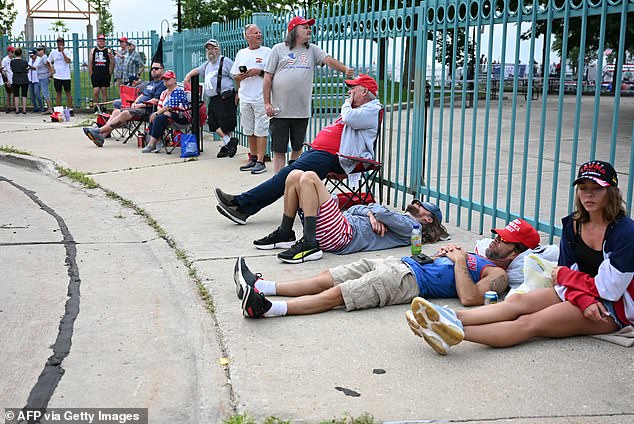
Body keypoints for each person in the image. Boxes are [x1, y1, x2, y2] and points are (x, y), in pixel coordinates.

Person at [407, 160, 633, 355]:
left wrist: (566, 277)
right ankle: (447, 317)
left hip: (613, 307)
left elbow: (609, 290)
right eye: (583, 188)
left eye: (597, 188)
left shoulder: (625, 232)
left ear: (611, 192)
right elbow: (564, 274)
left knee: (530, 323)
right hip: (581, 293)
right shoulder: (573, 224)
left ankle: (450, 332)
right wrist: (577, 291)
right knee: (517, 302)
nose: (589, 195)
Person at [235, 218, 540, 318]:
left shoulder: (498, 275)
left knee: (342, 293)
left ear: (517, 252)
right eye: (498, 235)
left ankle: (268, 308)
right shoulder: (482, 253)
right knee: (329, 276)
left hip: (407, 280)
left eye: (504, 240)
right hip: (400, 263)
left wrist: (459, 260)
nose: (496, 240)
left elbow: (471, 299)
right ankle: (263, 287)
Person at [215, 74, 382, 225]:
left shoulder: (372, 109)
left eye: (353, 89)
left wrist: (347, 103)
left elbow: (348, 118)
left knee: (287, 174)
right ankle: (243, 209)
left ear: (365, 91)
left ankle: (241, 202)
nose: (349, 93)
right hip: (323, 152)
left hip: (338, 158)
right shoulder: (359, 108)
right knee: (287, 175)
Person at [254, 169, 449, 263]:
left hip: (343, 236)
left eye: (421, 205)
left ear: (428, 219)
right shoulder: (398, 219)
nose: (416, 203)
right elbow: (355, 209)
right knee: (295, 175)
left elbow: (378, 210)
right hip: (339, 226)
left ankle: (309, 243)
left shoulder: (409, 227)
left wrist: (374, 213)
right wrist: (372, 215)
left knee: (309, 177)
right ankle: (285, 233)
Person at [264, 16, 355, 173]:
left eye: (309, 27)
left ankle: (291, 177)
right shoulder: (278, 49)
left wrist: (344, 69)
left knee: (297, 147)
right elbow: (267, 78)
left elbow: (328, 60)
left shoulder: (312, 49)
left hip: (301, 111)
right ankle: (278, 181)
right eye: (305, 27)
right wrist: (267, 103)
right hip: (279, 111)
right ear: (294, 31)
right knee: (279, 149)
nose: (309, 29)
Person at [82, 62, 166, 147]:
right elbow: (142, 95)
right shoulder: (151, 83)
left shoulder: (162, 84)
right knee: (116, 111)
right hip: (137, 107)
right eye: (152, 69)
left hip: (148, 109)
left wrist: (140, 105)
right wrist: (135, 102)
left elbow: (156, 100)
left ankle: (98, 131)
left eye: (156, 68)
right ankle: (101, 137)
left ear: (162, 70)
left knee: (125, 113)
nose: (153, 70)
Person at [184, 39, 238, 159]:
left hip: (225, 96)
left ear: (217, 49)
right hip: (213, 98)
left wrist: (238, 93)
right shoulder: (207, 64)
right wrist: (188, 76)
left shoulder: (225, 61)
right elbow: (198, 70)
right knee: (212, 122)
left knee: (225, 124)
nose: (210, 51)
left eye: (212, 48)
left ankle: (226, 145)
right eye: (208, 49)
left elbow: (236, 76)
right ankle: (229, 142)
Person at [231, 24, 271, 174]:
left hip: (261, 97)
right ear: (247, 36)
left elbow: (272, 72)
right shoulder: (241, 53)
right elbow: (234, 74)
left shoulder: (267, 52)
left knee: (261, 129)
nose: (259, 34)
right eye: (255, 33)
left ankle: (261, 161)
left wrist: (259, 71)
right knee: (249, 129)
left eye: (260, 32)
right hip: (245, 96)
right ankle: (252, 157)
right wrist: (240, 77)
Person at [141, 70, 191, 153]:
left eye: (168, 79)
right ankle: (158, 140)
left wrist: (160, 113)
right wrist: (161, 112)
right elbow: (160, 107)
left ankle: (152, 144)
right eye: (164, 79)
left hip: (181, 117)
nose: (165, 81)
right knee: (155, 116)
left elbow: (170, 106)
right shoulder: (163, 93)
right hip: (168, 117)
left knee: (158, 117)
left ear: (174, 80)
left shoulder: (178, 91)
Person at [88, 34, 114, 110]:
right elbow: (90, 62)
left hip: (105, 74)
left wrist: (110, 73)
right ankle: (96, 108)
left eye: (103, 41)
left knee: (104, 91)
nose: (101, 42)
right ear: (97, 41)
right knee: (95, 92)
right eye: (100, 41)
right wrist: (91, 73)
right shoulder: (93, 51)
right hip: (96, 74)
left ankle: (104, 108)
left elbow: (112, 63)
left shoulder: (108, 51)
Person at [48, 36, 73, 110]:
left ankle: (70, 108)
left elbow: (68, 61)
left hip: (66, 76)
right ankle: (58, 109)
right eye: (58, 42)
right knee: (58, 93)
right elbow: (48, 61)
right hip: (57, 76)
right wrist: (51, 68)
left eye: (61, 42)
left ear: (63, 43)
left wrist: (62, 52)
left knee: (68, 92)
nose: (60, 44)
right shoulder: (53, 52)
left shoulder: (67, 52)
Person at [10, 48, 30, 115]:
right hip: (24, 79)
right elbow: (27, 69)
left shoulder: (12, 62)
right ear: (21, 53)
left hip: (16, 79)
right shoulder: (25, 62)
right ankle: (24, 110)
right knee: (24, 95)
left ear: (15, 54)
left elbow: (12, 69)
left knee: (16, 95)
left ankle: (17, 110)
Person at [35, 45, 52, 114]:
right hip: (41, 77)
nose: (38, 51)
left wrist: (51, 74)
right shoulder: (41, 58)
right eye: (37, 50)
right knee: (45, 93)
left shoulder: (44, 58)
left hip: (44, 77)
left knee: (45, 93)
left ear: (43, 51)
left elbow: (48, 65)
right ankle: (49, 108)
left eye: (39, 50)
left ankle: (50, 109)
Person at [1, 46, 15, 113]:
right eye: (11, 52)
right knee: (8, 93)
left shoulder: (13, 59)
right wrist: (6, 81)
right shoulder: (5, 60)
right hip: (8, 79)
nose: (13, 53)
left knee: (14, 94)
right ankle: (8, 107)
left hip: (14, 79)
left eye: (13, 52)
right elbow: (3, 71)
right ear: (8, 52)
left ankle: (13, 106)